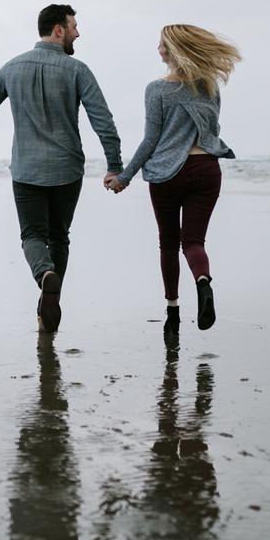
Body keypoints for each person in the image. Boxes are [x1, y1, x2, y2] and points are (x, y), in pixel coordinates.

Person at [0, 4, 123, 333]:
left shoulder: (12, 67)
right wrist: (114, 165)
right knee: (59, 236)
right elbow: (103, 121)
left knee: (32, 235)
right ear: (58, 30)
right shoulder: (78, 70)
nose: (77, 33)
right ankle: (51, 295)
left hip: (26, 169)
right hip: (67, 169)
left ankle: (44, 276)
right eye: (73, 26)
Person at [105, 24, 241, 340]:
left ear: (174, 49)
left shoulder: (157, 89)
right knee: (193, 242)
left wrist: (124, 177)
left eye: (162, 45)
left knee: (168, 242)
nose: (158, 49)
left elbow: (151, 139)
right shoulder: (209, 87)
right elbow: (213, 129)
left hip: (168, 175)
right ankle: (203, 282)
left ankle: (173, 313)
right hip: (206, 169)